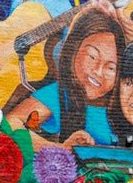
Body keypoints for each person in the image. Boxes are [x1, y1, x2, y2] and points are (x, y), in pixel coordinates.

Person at [8, 8, 125, 150]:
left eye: (111, 68)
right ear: (73, 51)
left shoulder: (123, 105)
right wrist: (59, 148)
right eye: (92, 57)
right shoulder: (58, 96)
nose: (99, 72)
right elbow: (11, 123)